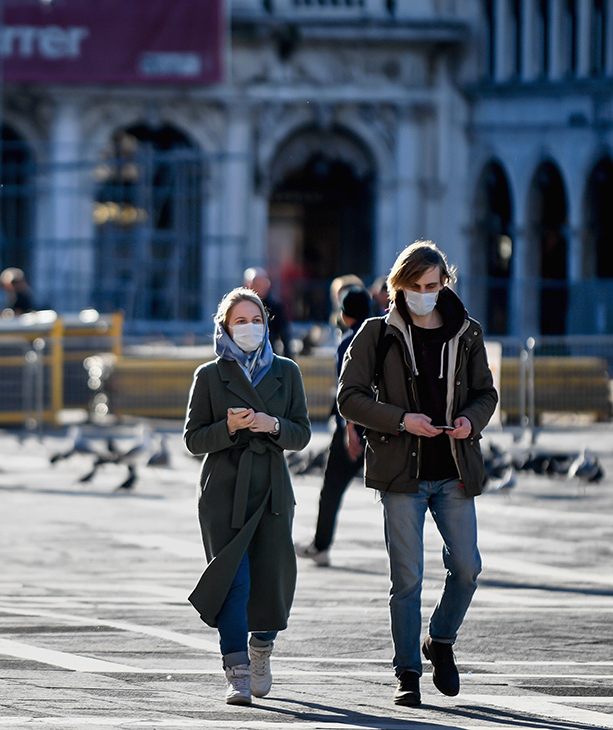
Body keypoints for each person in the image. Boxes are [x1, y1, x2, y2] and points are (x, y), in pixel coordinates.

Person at [337, 241, 497, 707]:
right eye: (414, 287)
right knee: (406, 579)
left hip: (454, 469)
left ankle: (440, 641)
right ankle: (407, 671)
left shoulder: (468, 332)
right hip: (400, 472)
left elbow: (486, 394)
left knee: (467, 569)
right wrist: (403, 420)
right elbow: (348, 397)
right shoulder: (375, 333)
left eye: (432, 285)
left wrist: (471, 419)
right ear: (398, 287)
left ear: (445, 283)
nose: (424, 294)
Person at [185, 287, 311, 706]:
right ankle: (236, 669)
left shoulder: (287, 371)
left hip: (273, 488)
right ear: (224, 327)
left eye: (256, 320)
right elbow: (193, 440)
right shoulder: (208, 375)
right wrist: (232, 427)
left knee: (272, 578)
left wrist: (271, 424)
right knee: (233, 583)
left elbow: (301, 434)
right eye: (240, 321)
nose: (250, 328)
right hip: (224, 490)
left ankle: (261, 649)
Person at [296, 285, 374, 566]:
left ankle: (321, 545)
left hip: (355, 426)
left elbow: (348, 390)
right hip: (385, 425)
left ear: (344, 313)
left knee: (331, 490)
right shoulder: (383, 335)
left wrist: (350, 430)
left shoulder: (347, 343)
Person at [243, 267, 292, 357]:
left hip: (268, 355)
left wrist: (288, 358)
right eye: (257, 284)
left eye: (263, 283)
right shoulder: (240, 307)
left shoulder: (275, 306)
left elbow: (284, 334)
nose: (261, 287)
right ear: (248, 285)